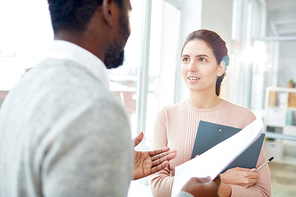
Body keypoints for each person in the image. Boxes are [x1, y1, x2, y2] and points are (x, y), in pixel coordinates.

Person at [0, 1, 220, 197]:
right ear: (109, 9)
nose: (130, 30)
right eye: (129, 14)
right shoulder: (95, 107)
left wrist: (112, 170)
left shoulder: (22, 89)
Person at [149, 29, 272, 197]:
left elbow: (263, 193)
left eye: (202, 59)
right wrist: (222, 179)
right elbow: (157, 187)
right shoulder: (166, 116)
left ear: (220, 68)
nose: (191, 67)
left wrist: (225, 190)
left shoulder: (245, 118)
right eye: (186, 59)